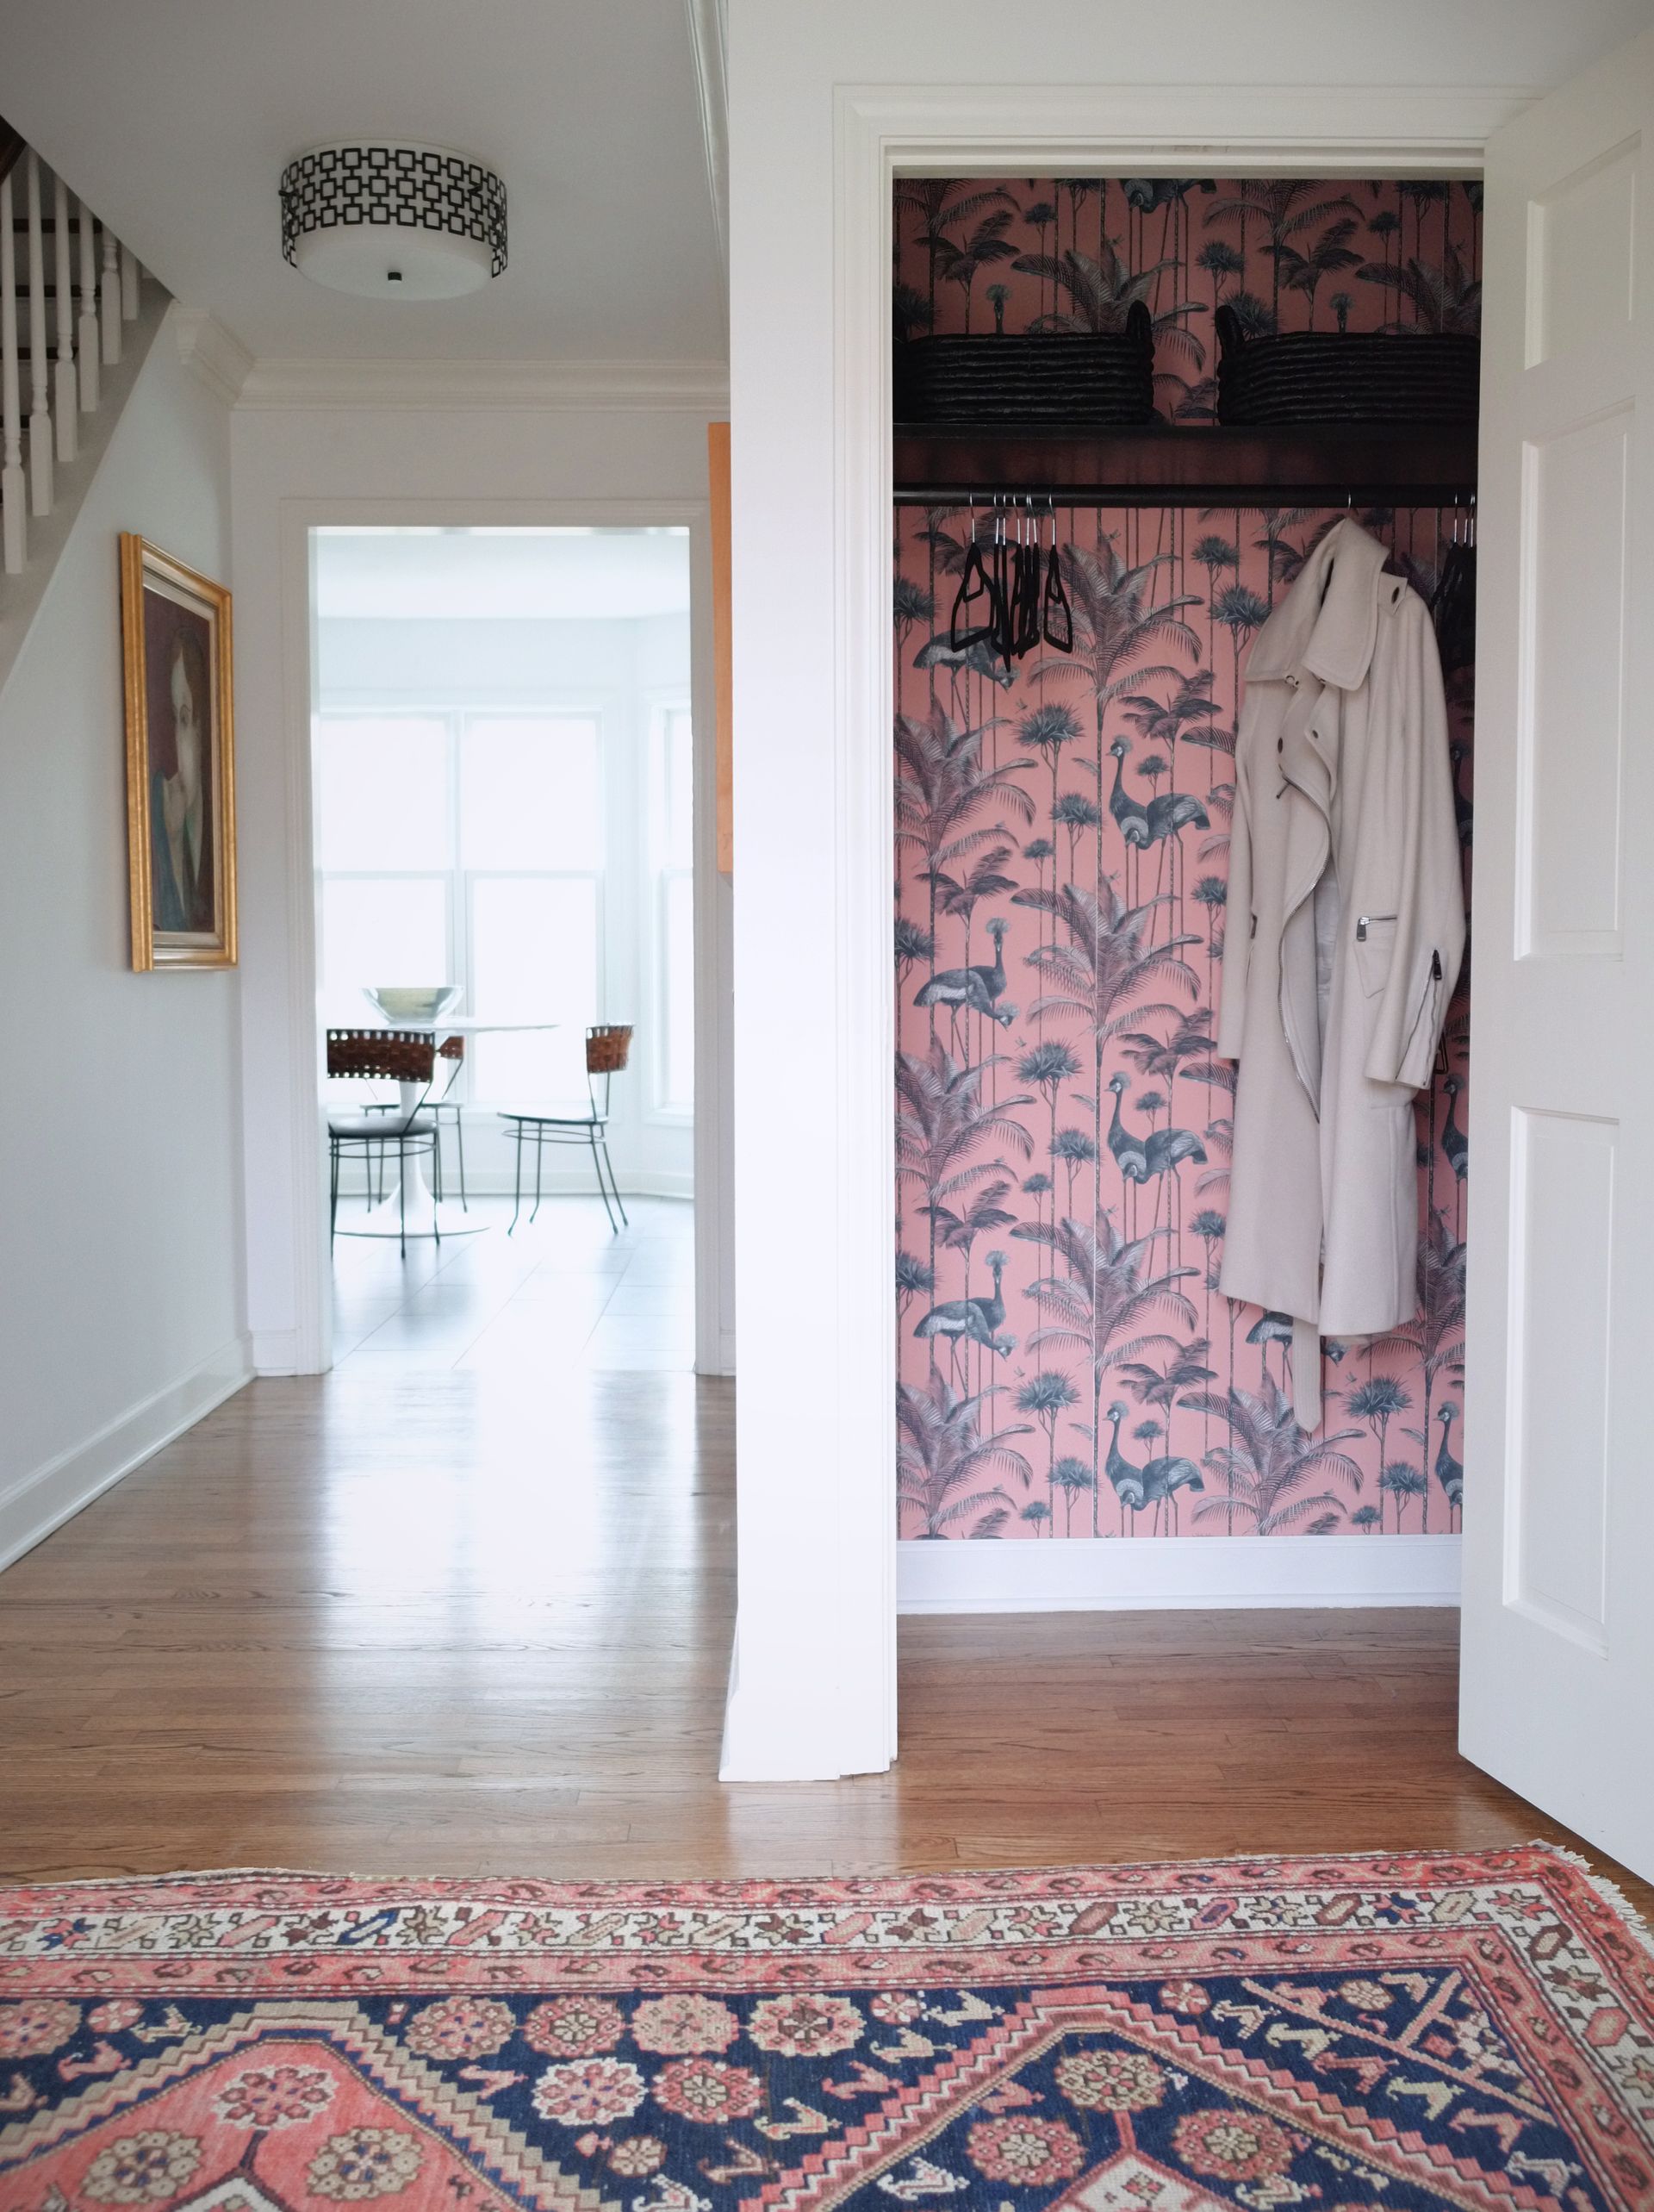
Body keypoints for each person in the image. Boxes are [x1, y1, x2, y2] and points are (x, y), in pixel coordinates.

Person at [149, 627, 215, 934]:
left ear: (203, 725)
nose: (179, 739)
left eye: (186, 719)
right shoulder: (163, 803)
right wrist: (172, 841)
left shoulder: (221, 823)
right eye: (176, 718)